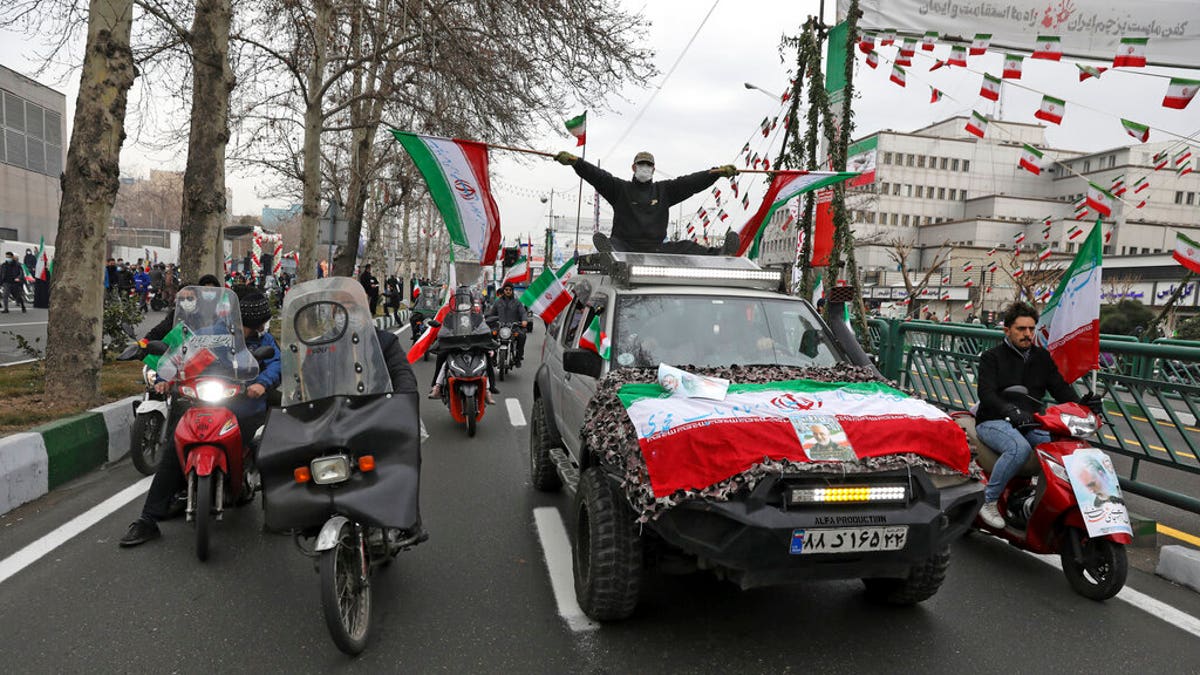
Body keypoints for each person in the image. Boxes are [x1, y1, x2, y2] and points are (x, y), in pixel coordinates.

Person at [119, 290, 281, 547]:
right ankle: (148, 520)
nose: (260, 327)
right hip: (204, 403)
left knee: (268, 450)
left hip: (245, 405)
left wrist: (262, 383)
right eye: (256, 323)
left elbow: (275, 363)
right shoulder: (208, 335)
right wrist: (163, 379)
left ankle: (278, 514)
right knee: (173, 449)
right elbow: (178, 356)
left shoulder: (264, 340)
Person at [974, 302, 1100, 529]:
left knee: (1066, 448)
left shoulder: (1042, 357)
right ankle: (989, 499)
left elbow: (1060, 388)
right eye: (1021, 329)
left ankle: (1056, 503)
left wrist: (1083, 405)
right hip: (993, 420)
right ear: (1007, 330)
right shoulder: (991, 357)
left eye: (1031, 329)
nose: (1028, 334)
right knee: (1019, 448)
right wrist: (1009, 410)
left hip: (1031, 421)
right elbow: (986, 394)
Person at [555, 150, 741, 255]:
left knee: (688, 247)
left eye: (648, 165)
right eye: (641, 164)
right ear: (633, 167)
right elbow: (598, 176)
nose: (644, 168)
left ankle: (722, 253)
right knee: (614, 246)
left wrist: (716, 173)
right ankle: (608, 254)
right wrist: (576, 162)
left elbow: (689, 183)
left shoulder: (664, 190)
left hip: (656, 248)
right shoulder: (620, 189)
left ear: (653, 169)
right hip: (624, 245)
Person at [428, 287, 498, 403]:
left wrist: (479, 334)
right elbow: (445, 329)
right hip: (455, 345)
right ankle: (437, 386)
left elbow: (482, 327)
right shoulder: (450, 316)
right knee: (442, 358)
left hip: (474, 344)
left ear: (470, 301)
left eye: (465, 301)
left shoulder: (477, 315)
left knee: (486, 357)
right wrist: (446, 334)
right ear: (456, 301)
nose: (463, 304)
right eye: (460, 300)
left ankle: (488, 390)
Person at [485, 282, 531, 366]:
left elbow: (523, 313)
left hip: (513, 327)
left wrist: (524, 320)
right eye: (506, 289)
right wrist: (486, 319)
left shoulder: (517, 302)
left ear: (512, 291)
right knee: (489, 335)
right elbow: (491, 314)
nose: (508, 291)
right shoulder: (498, 302)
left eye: (510, 290)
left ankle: (518, 357)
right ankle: (492, 357)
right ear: (504, 290)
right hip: (499, 327)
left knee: (522, 336)